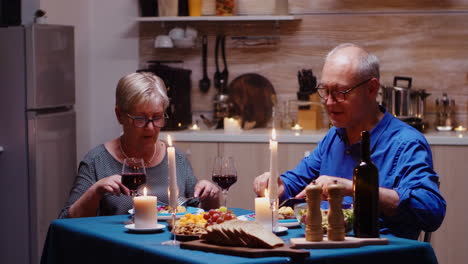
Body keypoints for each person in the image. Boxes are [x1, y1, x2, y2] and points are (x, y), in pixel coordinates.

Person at [253, 43, 446, 239]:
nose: (328, 102)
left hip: (380, 253)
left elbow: (430, 210)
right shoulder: (335, 135)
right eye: (325, 91)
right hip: (327, 250)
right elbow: (297, 182)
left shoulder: (406, 143)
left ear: (371, 89)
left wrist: (354, 189)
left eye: (340, 93)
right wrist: (279, 185)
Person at [60, 72, 220, 218]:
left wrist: (211, 196)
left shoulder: (176, 157)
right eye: (140, 118)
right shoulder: (97, 161)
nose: (150, 127)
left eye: (157, 117)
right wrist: (95, 191)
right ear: (120, 115)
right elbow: (66, 221)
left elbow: (197, 211)